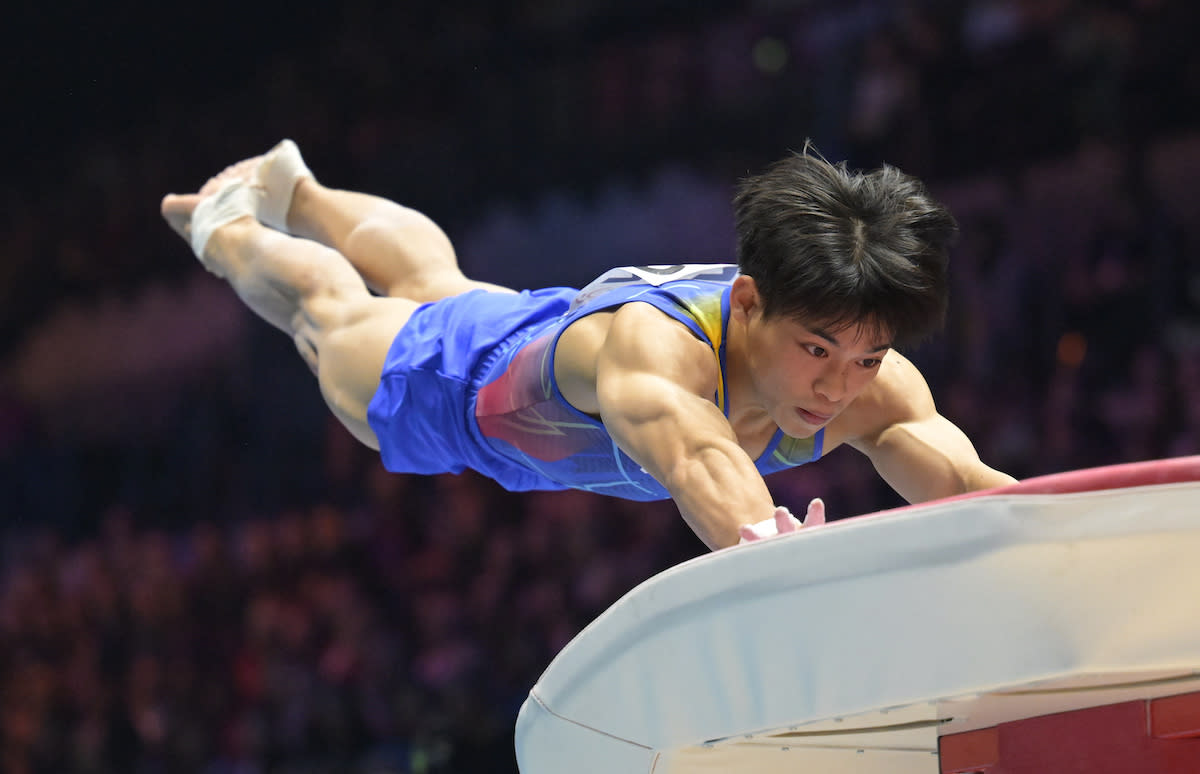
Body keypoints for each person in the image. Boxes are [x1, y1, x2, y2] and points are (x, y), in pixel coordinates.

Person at [160, 140, 1016, 551]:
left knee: (438, 283)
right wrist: (774, 551)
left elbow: (977, 491)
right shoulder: (663, 361)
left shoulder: (870, 378)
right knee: (327, 315)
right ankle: (224, 222)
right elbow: (704, 470)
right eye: (819, 351)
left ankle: (297, 185)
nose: (840, 388)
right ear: (749, 303)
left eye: (868, 357)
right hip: (454, 386)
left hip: (546, 333)